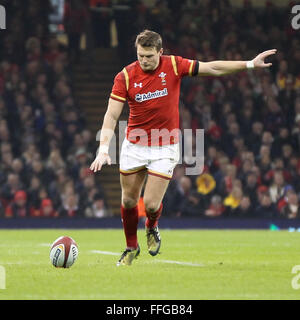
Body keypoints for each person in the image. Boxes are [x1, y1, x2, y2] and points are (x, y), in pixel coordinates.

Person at [90, 29, 277, 266]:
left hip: (165, 145)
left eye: (149, 56)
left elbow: (213, 68)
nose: (144, 60)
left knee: (150, 205)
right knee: (128, 202)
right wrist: (104, 147)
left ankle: (152, 225)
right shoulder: (125, 76)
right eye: (140, 56)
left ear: (160, 51)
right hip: (134, 144)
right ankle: (131, 247)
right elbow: (111, 114)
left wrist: (249, 64)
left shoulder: (174, 66)